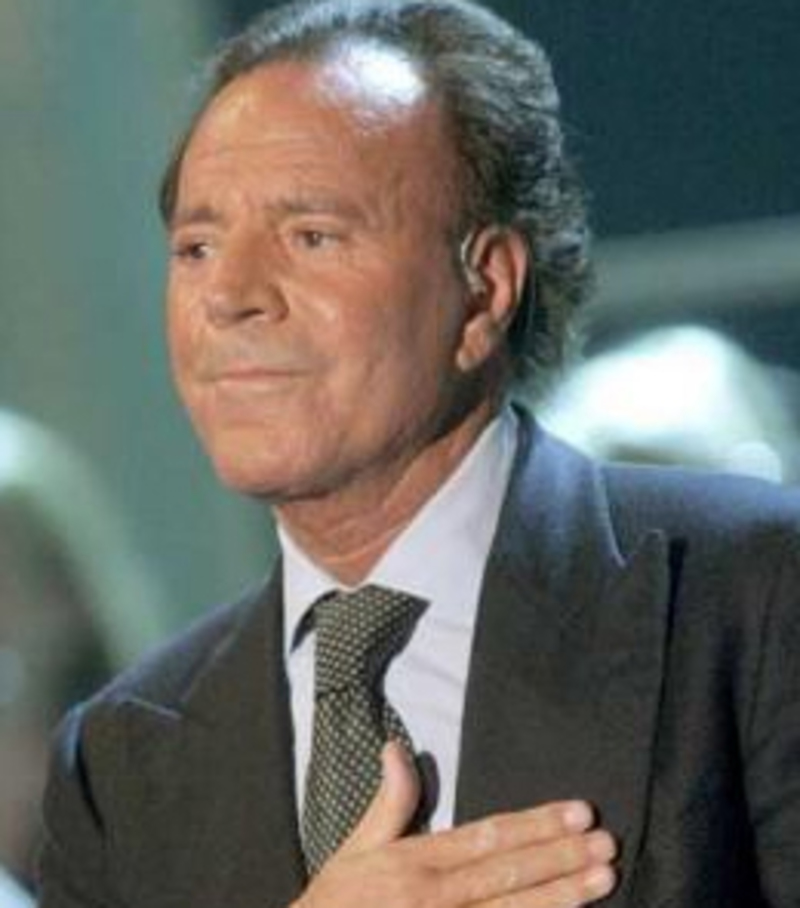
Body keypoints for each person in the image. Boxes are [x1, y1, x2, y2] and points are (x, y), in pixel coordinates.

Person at [38, 1, 800, 907]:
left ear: (484, 291)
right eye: (196, 247)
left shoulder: (751, 595)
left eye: (311, 236)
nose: (230, 296)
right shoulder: (122, 765)